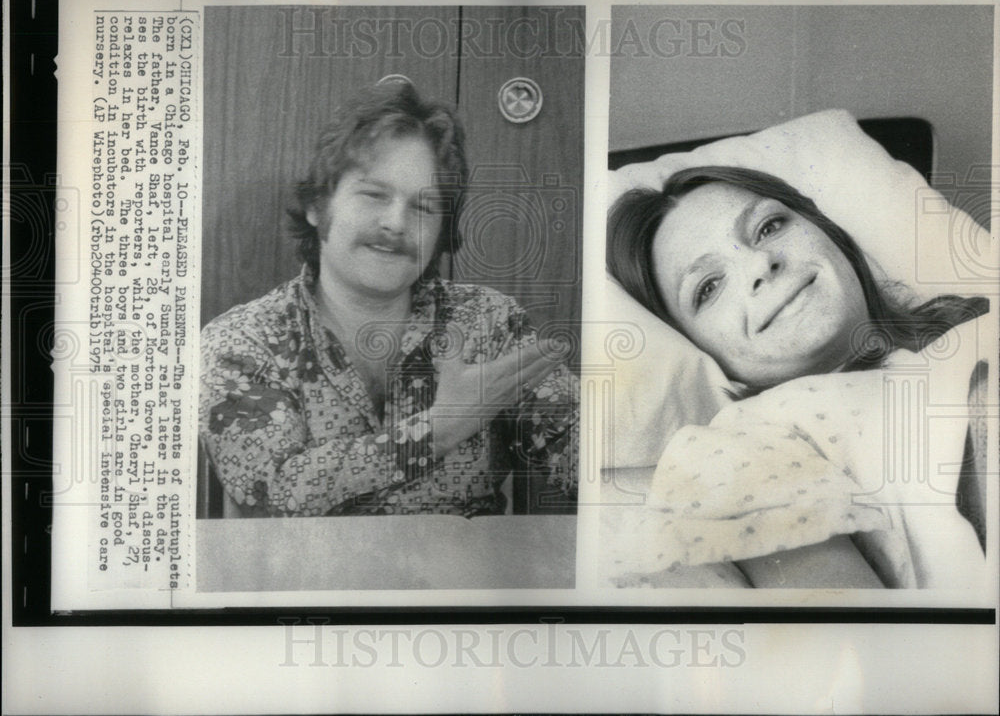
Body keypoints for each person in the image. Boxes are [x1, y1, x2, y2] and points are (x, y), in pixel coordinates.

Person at [200, 80, 578, 517]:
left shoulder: (490, 322)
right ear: (318, 206)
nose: (396, 223)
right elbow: (278, 495)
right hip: (310, 585)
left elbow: (579, 448)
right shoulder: (241, 342)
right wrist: (437, 430)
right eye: (374, 195)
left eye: (424, 207)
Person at [606, 165, 987, 587]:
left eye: (768, 227)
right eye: (709, 287)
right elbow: (847, 642)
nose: (759, 264)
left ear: (830, 233)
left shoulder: (974, 319)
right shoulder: (741, 445)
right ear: (694, 345)